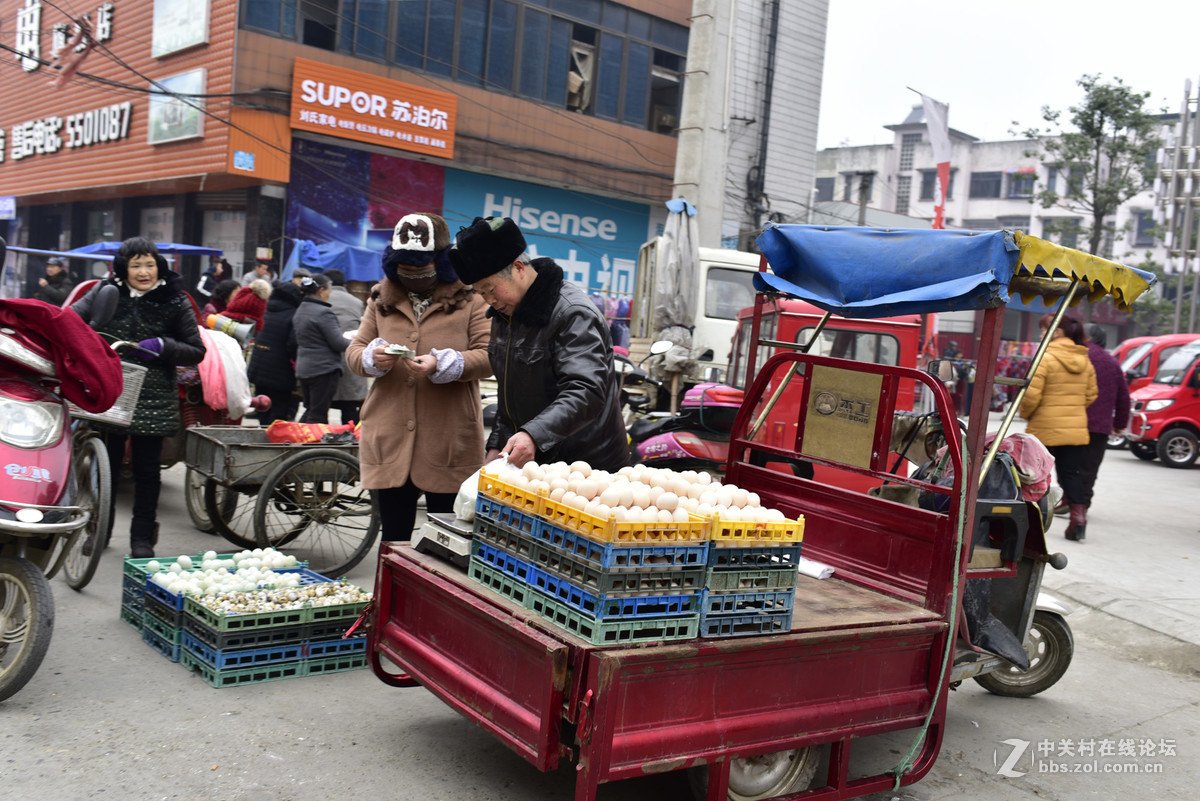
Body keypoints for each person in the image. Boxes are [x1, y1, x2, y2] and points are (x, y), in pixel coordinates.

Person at [346, 213, 490, 541]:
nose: (413, 276)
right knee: (393, 539)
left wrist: (445, 364)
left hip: (449, 439)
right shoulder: (381, 297)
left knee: (446, 543)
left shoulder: (472, 298)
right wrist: (373, 357)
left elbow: (490, 356)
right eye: (405, 269)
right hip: (389, 439)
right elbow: (355, 351)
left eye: (422, 268)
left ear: (442, 261)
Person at [449, 216, 629, 471]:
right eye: (481, 293)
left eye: (491, 289)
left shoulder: (572, 313)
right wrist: (496, 445)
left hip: (585, 466)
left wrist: (533, 434)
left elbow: (586, 390)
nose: (489, 300)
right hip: (532, 462)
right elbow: (509, 396)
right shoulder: (504, 316)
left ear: (518, 268)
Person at [70, 237, 205, 557]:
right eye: (136, 265)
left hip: (154, 395)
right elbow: (71, 322)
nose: (144, 272)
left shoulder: (175, 300)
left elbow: (196, 350)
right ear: (123, 268)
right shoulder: (105, 291)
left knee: (147, 472)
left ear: (159, 266)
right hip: (110, 390)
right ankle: (98, 531)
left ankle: (142, 539)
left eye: (149, 264)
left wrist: (164, 346)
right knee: (105, 469)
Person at [1019, 314, 1098, 542]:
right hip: (1075, 430)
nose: (1041, 334)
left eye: (1044, 330)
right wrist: (1073, 410)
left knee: (1035, 474)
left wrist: (1026, 414)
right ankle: (1078, 518)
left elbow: (1031, 396)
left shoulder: (1045, 357)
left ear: (1057, 332)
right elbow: (1091, 394)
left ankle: (1030, 520)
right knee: (1071, 474)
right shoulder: (1085, 360)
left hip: (1045, 427)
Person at [1077, 323, 1131, 533]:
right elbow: (1123, 398)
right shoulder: (1112, 362)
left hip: (1073, 422)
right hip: (1100, 426)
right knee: (1090, 468)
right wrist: (1119, 424)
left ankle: (1072, 501)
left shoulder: (1078, 356)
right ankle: (1082, 505)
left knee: (1069, 465)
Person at [291, 273, 348, 423]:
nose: (330, 294)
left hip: (305, 368)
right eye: (329, 290)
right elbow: (338, 343)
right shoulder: (323, 312)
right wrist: (357, 343)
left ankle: (300, 436)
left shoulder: (301, 308)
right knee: (318, 415)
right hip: (323, 369)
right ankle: (310, 438)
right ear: (321, 291)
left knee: (311, 410)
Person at [247, 280, 303, 426]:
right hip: (280, 370)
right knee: (279, 408)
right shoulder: (293, 314)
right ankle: (272, 437)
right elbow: (293, 344)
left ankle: (263, 432)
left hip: (259, 366)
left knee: (263, 405)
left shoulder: (266, 309)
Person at [323, 268, 368, 424]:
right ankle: (350, 438)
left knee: (319, 411)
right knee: (349, 410)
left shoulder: (320, 300)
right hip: (350, 360)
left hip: (324, 364)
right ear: (345, 285)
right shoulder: (357, 302)